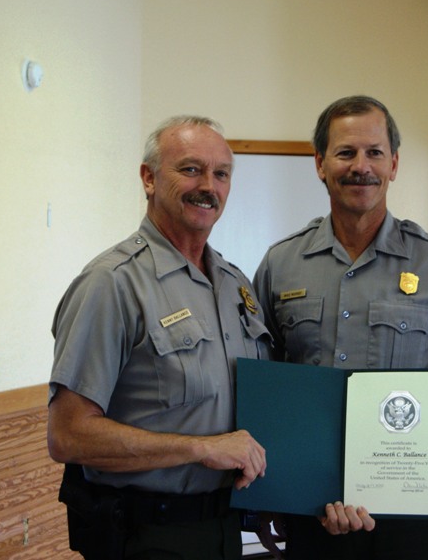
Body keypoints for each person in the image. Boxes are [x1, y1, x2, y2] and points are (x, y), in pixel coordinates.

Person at [253, 96, 428, 560]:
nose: (361, 167)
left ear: (394, 164)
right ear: (320, 163)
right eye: (345, 153)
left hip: (414, 510)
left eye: (374, 152)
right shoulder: (280, 263)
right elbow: (263, 384)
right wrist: (268, 496)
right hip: (314, 507)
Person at [48, 115, 272, 560]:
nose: (208, 185)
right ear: (149, 178)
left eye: (221, 173)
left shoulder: (236, 284)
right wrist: (198, 448)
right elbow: (68, 435)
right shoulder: (112, 284)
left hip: (226, 526)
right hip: (146, 535)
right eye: (190, 169)